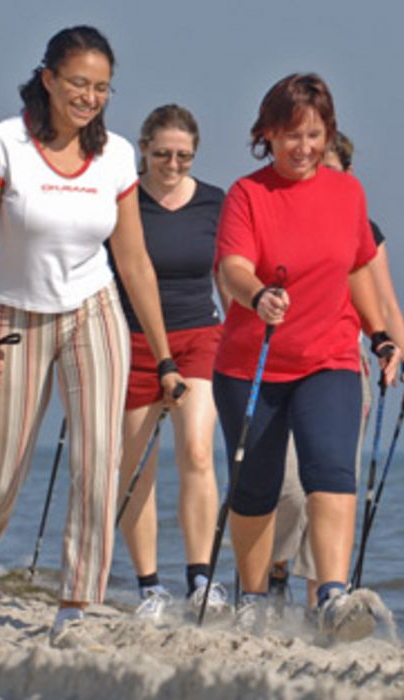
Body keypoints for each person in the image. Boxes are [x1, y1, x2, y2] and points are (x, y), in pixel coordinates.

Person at [0, 25, 185, 648]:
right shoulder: (3, 143)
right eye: (78, 83)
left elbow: (134, 261)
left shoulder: (118, 155)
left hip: (93, 312)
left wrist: (167, 356)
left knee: (98, 461)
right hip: (12, 316)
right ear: (47, 78)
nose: (89, 97)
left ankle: (74, 609)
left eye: (101, 87)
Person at [213, 72, 400, 642]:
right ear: (267, 134)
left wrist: (381, 336)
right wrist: (258, 295)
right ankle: (250, 595)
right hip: (254, 364)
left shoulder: (348, 194)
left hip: (330, 356)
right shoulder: (249, 194)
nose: (304, 147)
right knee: (257, 488)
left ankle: (333, 596)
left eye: (315, 135)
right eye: (291, 135)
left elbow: (358, 268)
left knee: (330, 472)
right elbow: (232, 268)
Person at [267, 130, 404, 611]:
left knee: (333, 483)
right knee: (290, 487)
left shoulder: (364, 229)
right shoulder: (280, 214)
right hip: (284, 361)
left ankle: (325, 602)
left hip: (344, 364)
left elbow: (385, 304)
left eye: (331, 170)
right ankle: (273, 570)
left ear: (348, 176)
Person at [109, 104, 228, 621]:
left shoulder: (214, 203)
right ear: (143, 149)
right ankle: (149, 586)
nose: (172, 164)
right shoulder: (125, 200)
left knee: (198, 451)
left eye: (182, 156)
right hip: (133, 339)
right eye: (162, 154)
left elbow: (227, 272)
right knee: (136, 467)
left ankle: (201, 578)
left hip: (201, 335)